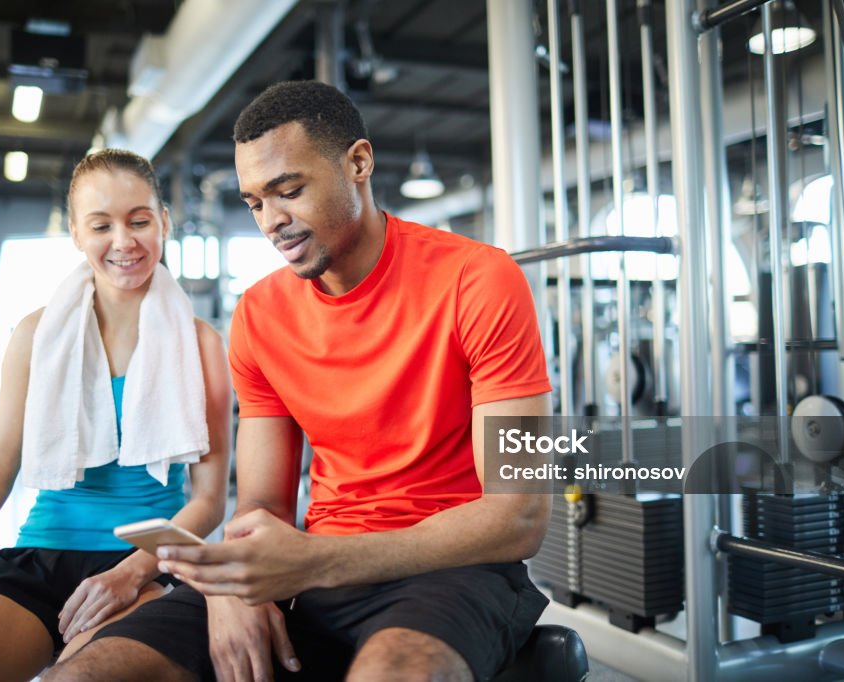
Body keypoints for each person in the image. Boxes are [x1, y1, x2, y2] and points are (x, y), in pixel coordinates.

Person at [48, 81, 552, 682]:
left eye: (289, 191)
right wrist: (236, 587)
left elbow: (520, 514)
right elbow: (262, 503)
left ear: (358, 163)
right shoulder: (260, 315)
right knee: (85, 675)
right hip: (308, 567)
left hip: (452, 571)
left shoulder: (480, 278)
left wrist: (316, 562)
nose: (272, 221)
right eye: (256, 201)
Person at [0, 149, 231, 682]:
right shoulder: (35, 335)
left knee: (80, 677)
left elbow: (207, 501)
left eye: (139, 221)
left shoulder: (201, 345)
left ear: (164, 222)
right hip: (36, 560)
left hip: (140, 564)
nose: (124, 241)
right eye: (101, 225)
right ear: (75, 233)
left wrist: (132, 573)